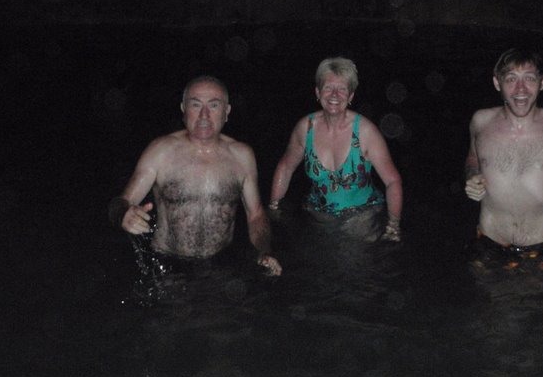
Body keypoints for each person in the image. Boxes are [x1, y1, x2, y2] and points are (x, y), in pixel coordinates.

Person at [108, 75, 282, 276]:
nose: (204, 115)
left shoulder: (242, 156)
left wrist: (265, 251)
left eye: (214, 105)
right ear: (183, 109)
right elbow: (119, 203)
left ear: (226, 112)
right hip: (167, 265)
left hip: (220, 264)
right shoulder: (160, 152)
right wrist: (123, 215)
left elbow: (256, 215)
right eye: (196, 105)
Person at [464, 48, 543, 272]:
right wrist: (472, 176)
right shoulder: (481, 122)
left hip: (542, 245)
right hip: (489, 240)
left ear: (542, 82)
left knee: (536, 295)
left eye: (529, 79)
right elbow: (472, 160)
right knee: (486, 294)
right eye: (511, 79)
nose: (520, 89)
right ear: (497, 83)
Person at [269, 57, 403, 243]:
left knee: (351, 257)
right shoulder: (305, 128)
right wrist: (273, 208)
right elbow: (285, 167)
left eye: (342, 89)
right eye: (328, 88)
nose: (334, 95)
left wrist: (393, 226)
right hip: (318, 213)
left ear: (351, 96)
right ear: (318, 92)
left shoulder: (366, 132)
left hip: (362, 215)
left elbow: (392, 181)